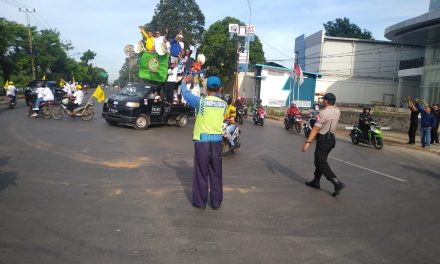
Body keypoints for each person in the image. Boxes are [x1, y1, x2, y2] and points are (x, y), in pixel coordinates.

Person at [181, 75, 227, 210]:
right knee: (216, 173)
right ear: (220, 90)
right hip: (217, 142)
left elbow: (185, 94)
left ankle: (200, 203)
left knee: (201, 172)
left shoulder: (200, 102)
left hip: (202, 142)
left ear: (206, 89)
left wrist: (184, 82)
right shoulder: (224, 104)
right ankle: (216, 202)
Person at [303, 93, 345, 197]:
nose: (322, 101)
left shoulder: (323, 113)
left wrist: (307, 143)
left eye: (323, 100)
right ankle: (316, 181)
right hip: (331, 140)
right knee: (321, 161)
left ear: (326, 101)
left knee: (320, 162)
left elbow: (315, 129)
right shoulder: (337, 111)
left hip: (323, 141)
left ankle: (336, 182)